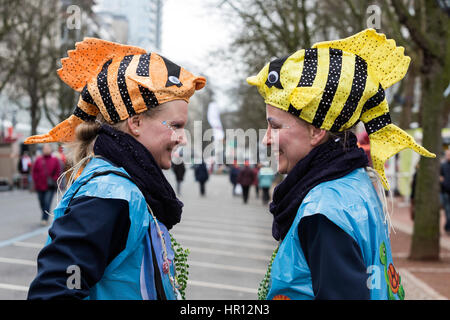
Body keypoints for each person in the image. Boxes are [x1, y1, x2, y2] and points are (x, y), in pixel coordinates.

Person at [247, 29, 435, 300]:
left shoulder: (322, 213)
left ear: (316, 131)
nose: (266, 139)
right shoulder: (354, 180)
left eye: (274, 126)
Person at [25, 38, 206, 300]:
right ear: (136, 122)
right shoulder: (109, 195)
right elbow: (55, 289)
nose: (183, 137)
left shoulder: (126, 187)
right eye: (175, 126)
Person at [31, 144, 61, 226]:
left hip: (50, 186)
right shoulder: (38, 160)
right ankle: (45, 214)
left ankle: (44, 218)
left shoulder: (55, 160)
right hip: (39, 185)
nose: (46, 150)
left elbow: (58, 171)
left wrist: (54, 179)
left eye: (48, 148)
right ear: (42, 150)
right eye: (45, 148)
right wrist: (36, 180)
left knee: (47, 202)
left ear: (51, 149)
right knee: (42, 202)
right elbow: (34, 171)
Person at [440, 149, 450, 233]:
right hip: (445, 192)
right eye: (447, 155)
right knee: (447, 211)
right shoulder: (443, 165)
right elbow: (439, 176)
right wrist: (441, 180)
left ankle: (447, 226)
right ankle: (448, 227)